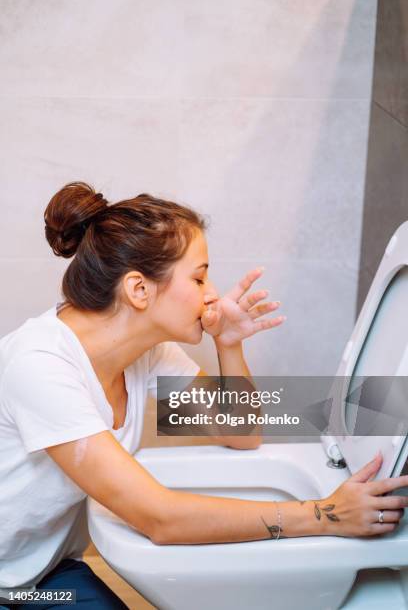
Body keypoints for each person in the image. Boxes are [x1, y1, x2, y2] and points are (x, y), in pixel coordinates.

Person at [0, 182, 407, 610]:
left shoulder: (146, 353)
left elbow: (242, 434)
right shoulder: (40, 365)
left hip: (41, 579)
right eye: (199, 277)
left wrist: (228, 344)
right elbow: (160, 518)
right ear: (139, 290)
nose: (212, 292)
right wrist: (324, 516)